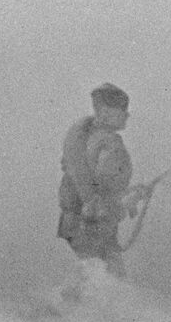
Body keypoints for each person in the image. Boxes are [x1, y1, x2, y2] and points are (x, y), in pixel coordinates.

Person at [57, 82, 137, 279]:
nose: (127, 115)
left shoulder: (86, 138)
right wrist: (126, 201)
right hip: (94, 223)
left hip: (76, 221)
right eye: (122, 110)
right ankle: (58, 308)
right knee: (107, 279)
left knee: (98, 276)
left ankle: (60, 307)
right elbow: (104, 185)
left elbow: (92, 180)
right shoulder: (109, 143)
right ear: (105, 112)